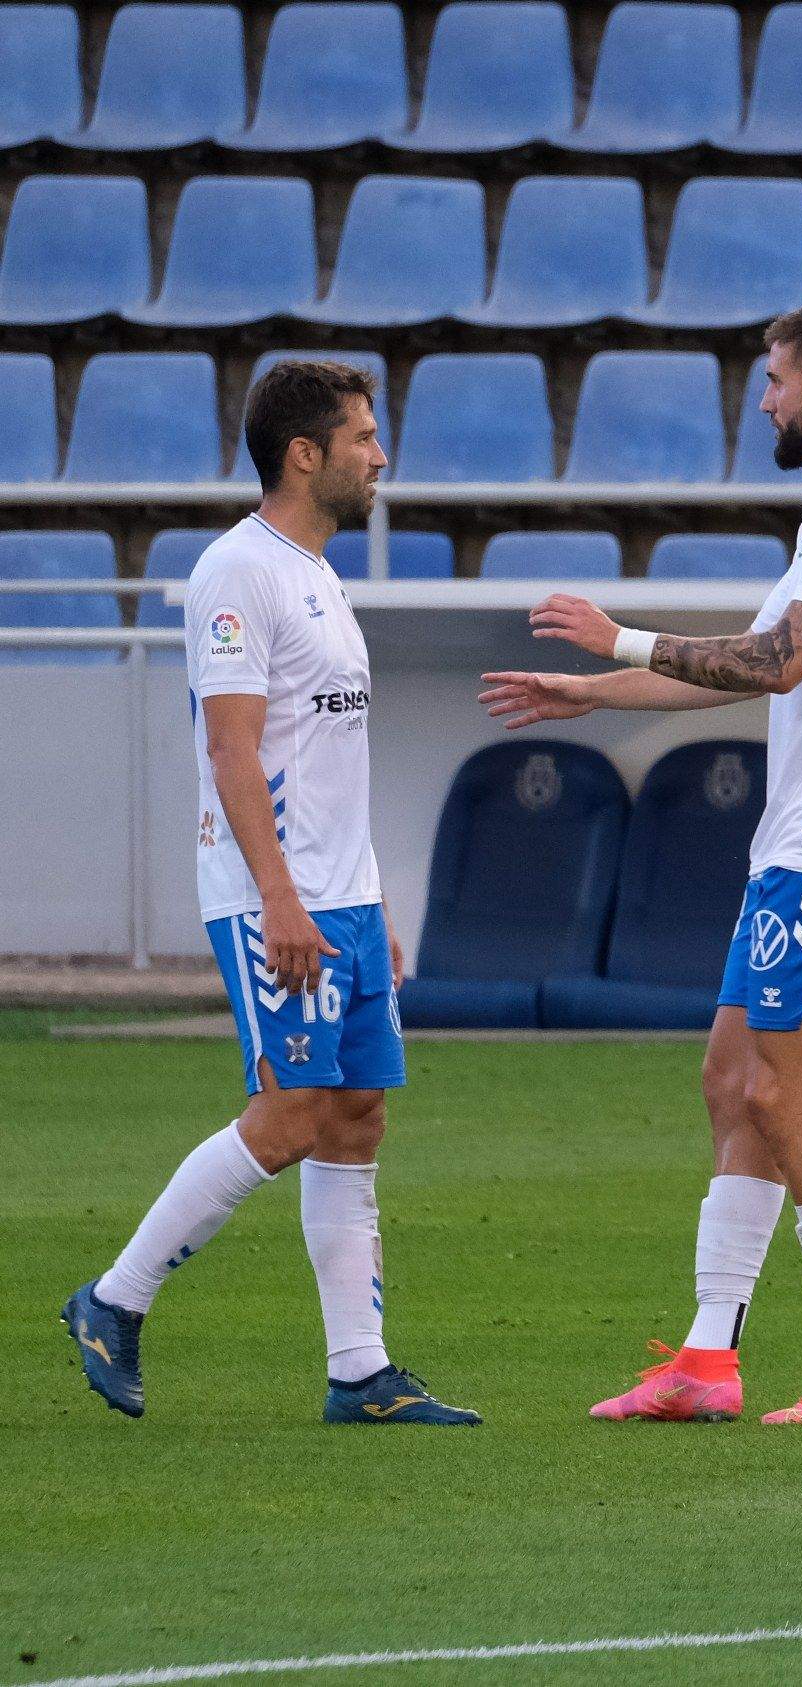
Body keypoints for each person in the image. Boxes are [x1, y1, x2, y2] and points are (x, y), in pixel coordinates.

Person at [480, 302, 802, 1427]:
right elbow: (745, 667)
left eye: (778, 377)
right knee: (730, 1083)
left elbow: (776, 663)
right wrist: (593, 694)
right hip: (796, 848)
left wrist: (618, 639)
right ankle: (706, 1358)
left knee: (779, 1091)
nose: (767, 397)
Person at [61, 360, 479, 1426]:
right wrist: (282, 898)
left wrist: (370, 896)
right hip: (274, 900)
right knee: (289, 1111)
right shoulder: (236, 574)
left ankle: (360, 1372)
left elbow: (332, 758)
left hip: (341, 894)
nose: (379, 455)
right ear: (306, 454)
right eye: (363, 437)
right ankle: (114, 1298)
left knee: (353, 1113)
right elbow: (235, 752)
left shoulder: (320, 575)